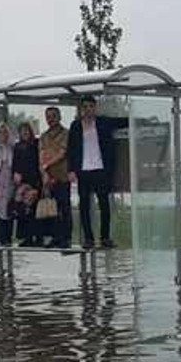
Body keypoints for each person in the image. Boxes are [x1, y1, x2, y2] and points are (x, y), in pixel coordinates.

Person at [67, 95, 118, 249]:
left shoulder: (103, 122)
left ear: (95, 108)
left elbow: (123, 122)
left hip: (100, 169)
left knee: (104, 204)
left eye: (91, 106)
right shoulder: (76, 126)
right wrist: (71, 170)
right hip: (83, 171)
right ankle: (88, 238)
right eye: (85, 107)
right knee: (84, 205)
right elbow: (71, 149)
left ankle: (105, 237)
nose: (88, 110)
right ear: (82, 109)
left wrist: (143, 119)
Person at [38, 106, 71, 248]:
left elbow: (62, 153)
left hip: (62, 176)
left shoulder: (66, 134)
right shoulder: (43, 136)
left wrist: (47, 164)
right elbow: (41, 156)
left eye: (53, 116)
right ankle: (55, 237)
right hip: (48, 179)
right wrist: (44, 173)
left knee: (65, 207)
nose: (50, 119)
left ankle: (66, 238)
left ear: (59, 117)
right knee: (52, 209)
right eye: (48, 116)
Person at [12, 121, 43, 247]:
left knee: (36, 210)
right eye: (22, 130)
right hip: (23, 182)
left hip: (36, 181)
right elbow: (15, 164)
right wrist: (15, 174)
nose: (25, 132)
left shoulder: (37, 143)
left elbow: (41, 160)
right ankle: (27, 238)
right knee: (24, 211)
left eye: (27, 130)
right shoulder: (18, 146)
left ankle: (39, 238)